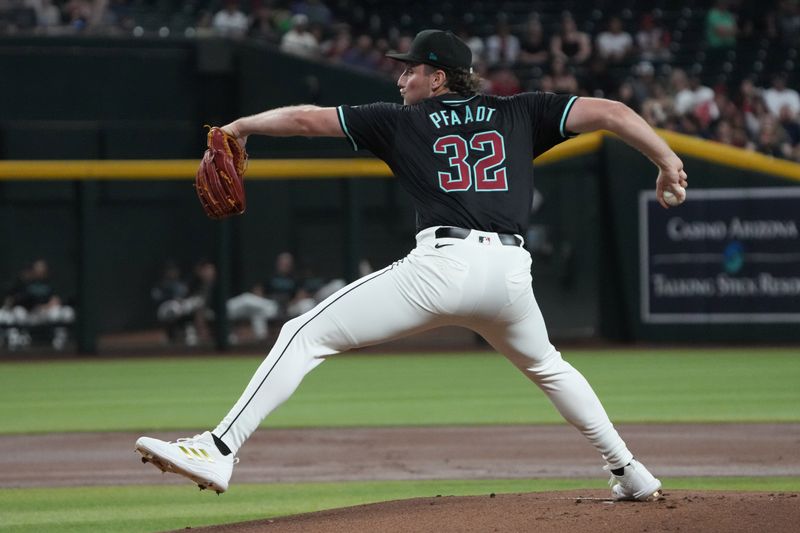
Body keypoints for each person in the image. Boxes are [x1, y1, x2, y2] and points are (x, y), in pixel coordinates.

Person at [136, 29, 687, 501]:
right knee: (548, 366)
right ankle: (630, 471)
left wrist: (240, 127)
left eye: (410, 71)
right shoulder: (522, 110)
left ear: (440, 78)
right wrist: (666, 161)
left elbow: (306, 120)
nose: (400, 80)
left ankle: (218, 448)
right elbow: (613, 113)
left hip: (444, 267)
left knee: (302, 332)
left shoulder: (401, 122)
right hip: (511, 275)